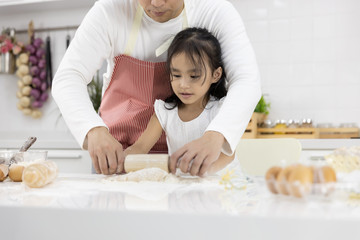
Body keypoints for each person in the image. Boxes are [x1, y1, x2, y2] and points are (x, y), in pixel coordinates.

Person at [52, 0, 261, 176]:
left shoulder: (215, 11)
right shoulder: (109, 10)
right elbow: (68, 76)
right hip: (119, 159)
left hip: (183, 163)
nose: (157, 3)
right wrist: (93, 129)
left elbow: (246, 79)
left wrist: (216, 135)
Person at [125, 27, 235, 176]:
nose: (183, 84)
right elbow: (140, 148)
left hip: (221, 188)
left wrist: (202, 173)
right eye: (176, 75)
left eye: (194, 76)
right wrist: (122, 159)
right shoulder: (164, 112)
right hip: (182, 190)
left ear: (215, 75)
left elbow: (228, 155)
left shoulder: (221, 110)